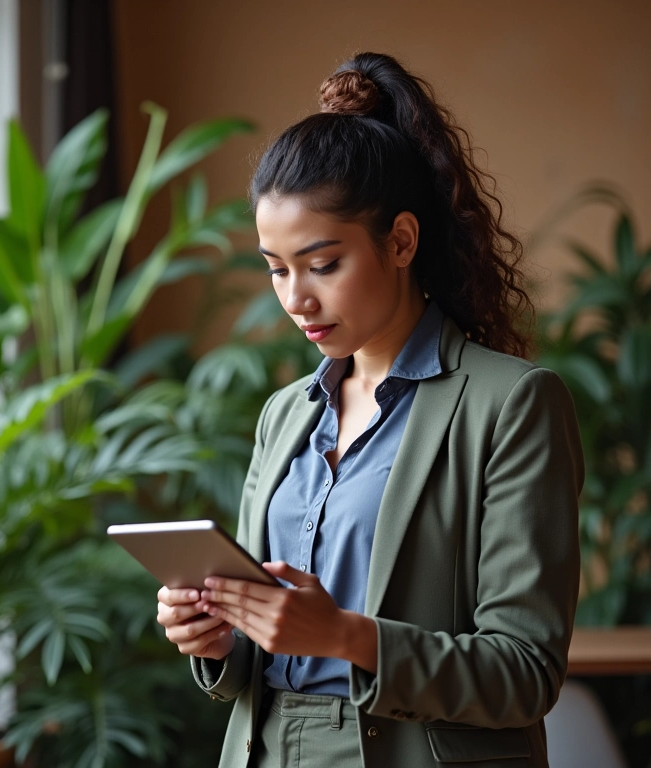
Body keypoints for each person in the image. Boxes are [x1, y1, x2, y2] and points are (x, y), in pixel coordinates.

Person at [156, 52, 584, 768]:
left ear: (401, 242)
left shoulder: (511, 405)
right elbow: (261, 658)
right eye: (276, 268)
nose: (296, 298)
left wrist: (346, 636)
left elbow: (526, 673)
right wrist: (220, 636)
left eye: (322, 264)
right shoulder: (284, 415)